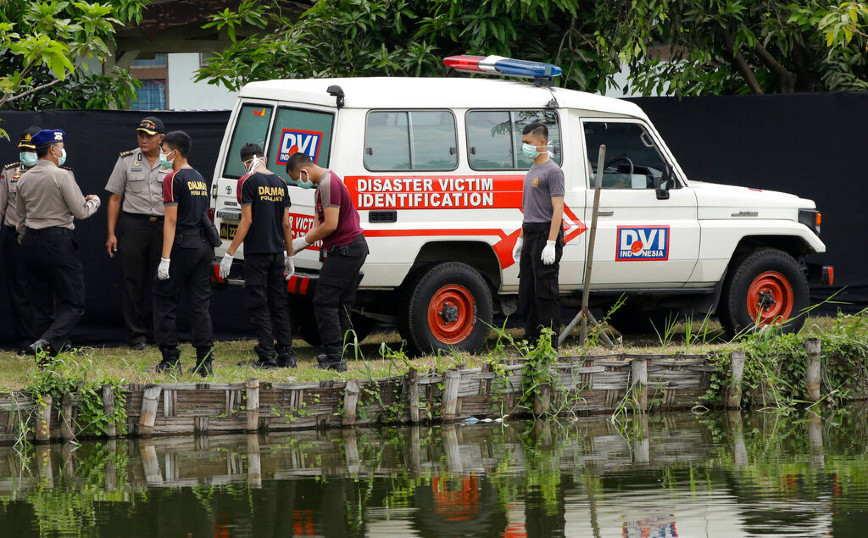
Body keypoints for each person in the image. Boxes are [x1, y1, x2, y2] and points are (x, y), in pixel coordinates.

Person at [16, 129, 101, 359]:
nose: (63, 149)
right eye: (61, 145)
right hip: (57, 240)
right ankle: (48, 341)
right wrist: (95, 201)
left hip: (32, 241)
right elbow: (81, 211)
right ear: (53, 149)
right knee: (74, 302)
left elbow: (20, 221)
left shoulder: (24, 178)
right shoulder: (62, 175)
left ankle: (44, 356)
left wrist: (26, 241)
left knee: (41, 302)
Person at [285, 152, 368, 372]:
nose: (298, 183)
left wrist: (300, 241)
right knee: (340, 304)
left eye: (296, 178)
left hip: (347, 249)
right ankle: (340, 353)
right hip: (350, 248)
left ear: (304, 171)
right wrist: (293, 250)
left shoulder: (328, 184)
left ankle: (334, 357)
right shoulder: (321, 186)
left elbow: (330, 225)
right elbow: (318, 224)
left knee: (324, 301)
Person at [220, 143, 297, 369]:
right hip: (276, 252)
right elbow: (286, 223)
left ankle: (267, 357)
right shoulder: (281, 182)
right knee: (279, 304)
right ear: (264, 158)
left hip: (256, 253)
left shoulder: (248, 181)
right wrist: (290, 256)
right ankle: (287, 354)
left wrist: (229, 253)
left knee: (258, 304)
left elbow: (247, 220)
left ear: (246, 162)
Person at [151, 131, 215, 376]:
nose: (161, 154)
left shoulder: (172, 178)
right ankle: (204, 361)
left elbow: (170, 221)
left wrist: (165, 258)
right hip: (203, 247)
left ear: (174, 153)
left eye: (163, 149)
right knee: (200, 304)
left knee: (164, 299)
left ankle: (170, 359)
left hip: (182, 246)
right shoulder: (199, 177)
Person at [104, 116, 169, 350]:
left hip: (164, 225)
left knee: (161, 279)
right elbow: (114, 197)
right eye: (140, 134)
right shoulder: (126, 160)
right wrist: (111, 233)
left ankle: (161, 333)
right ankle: (136, 336)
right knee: (132, 280)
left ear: (161, 139)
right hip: (133, 224)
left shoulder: (171, 160)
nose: (143, 139)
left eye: (149, 136)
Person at [511, 122, 565, 350]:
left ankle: (548, 343)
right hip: (531, 232)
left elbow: (558, 209)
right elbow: (528, 209)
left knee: (545, 292)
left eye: (528, 143)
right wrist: (521, 238)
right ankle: (531, 339)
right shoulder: (532, 171)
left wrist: (551, 243)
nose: (525, 147)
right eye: (523, 143)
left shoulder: (553, 172)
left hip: (545, 234)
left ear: (542, 143)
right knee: (528, 291)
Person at [0, 126, 41, 355]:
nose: (28, 154)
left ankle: (48, 338)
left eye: (32, 149)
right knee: (19, 290)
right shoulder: (9, 172)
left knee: (46, 287)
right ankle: (26, 340)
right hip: (14, 236)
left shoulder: (57, 171)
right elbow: (1, 206)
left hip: (43, 236)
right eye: (24, 149)